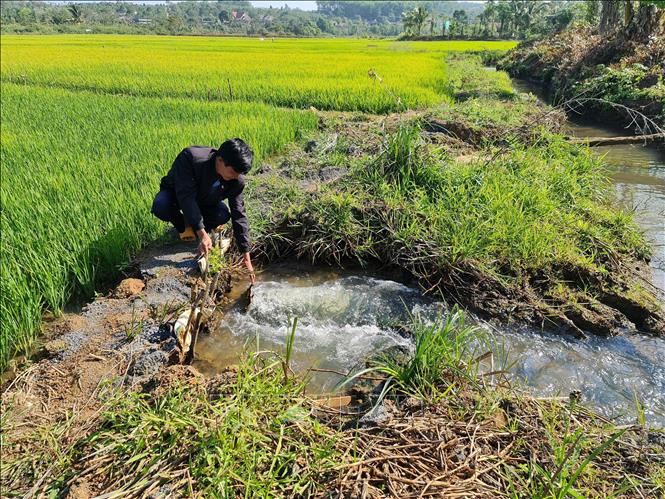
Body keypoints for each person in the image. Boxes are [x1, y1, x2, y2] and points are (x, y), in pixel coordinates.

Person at [151, 138, 255, 283]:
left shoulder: (236, 179)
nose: (236, 177)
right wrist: (202, 234)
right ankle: (184, 225)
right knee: (161, 206)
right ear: (220, 160)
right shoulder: (191, 158)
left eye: (239, 173)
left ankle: (196, 226)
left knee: (222, 215)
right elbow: (186, 196)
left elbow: (239, 213)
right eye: (233, 172)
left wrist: (246, 255)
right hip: (176, 194)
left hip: (204, 200)